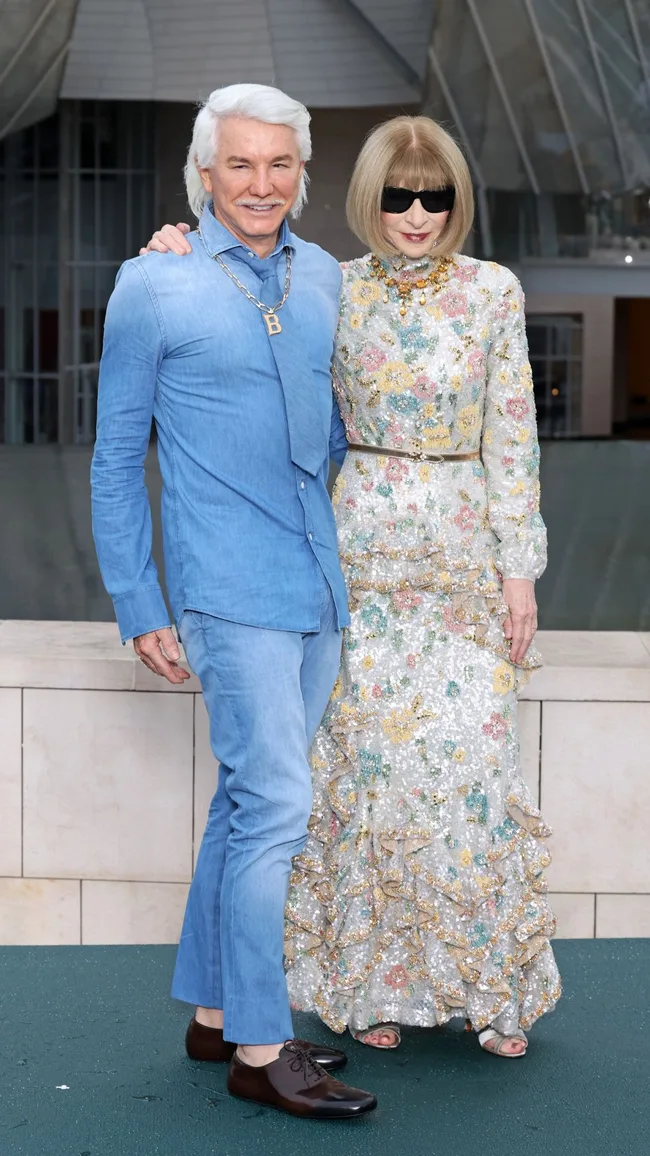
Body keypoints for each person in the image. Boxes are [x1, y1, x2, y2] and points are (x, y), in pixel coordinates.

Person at [143, 114, 561, 1060]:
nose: (416, 215)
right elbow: (232, 293)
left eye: (436, 196)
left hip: (460, 549)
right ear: (369, 199)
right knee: (364, 781)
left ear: (457, 203)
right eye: (398, 196)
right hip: (356, 547)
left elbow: (514, 433)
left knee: (470, 778)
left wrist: (519, 571)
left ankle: (491, 991)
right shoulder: (328, 283)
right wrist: (173, 245)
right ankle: (369, 986)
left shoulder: (493, 292)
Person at [90, 83, 377, 1120]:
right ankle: (263, 1044)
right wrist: (139, 600)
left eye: (280, 164)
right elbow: (118, 458)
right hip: (223, 590)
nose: (261, 183)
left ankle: (211, 1013)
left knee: (246, 802)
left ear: (303, 173)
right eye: (240, 164)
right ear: (203, 176)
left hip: (316, 585)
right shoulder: (152, 285)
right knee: (279, 807)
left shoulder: (323, 280)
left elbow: (328, 428)